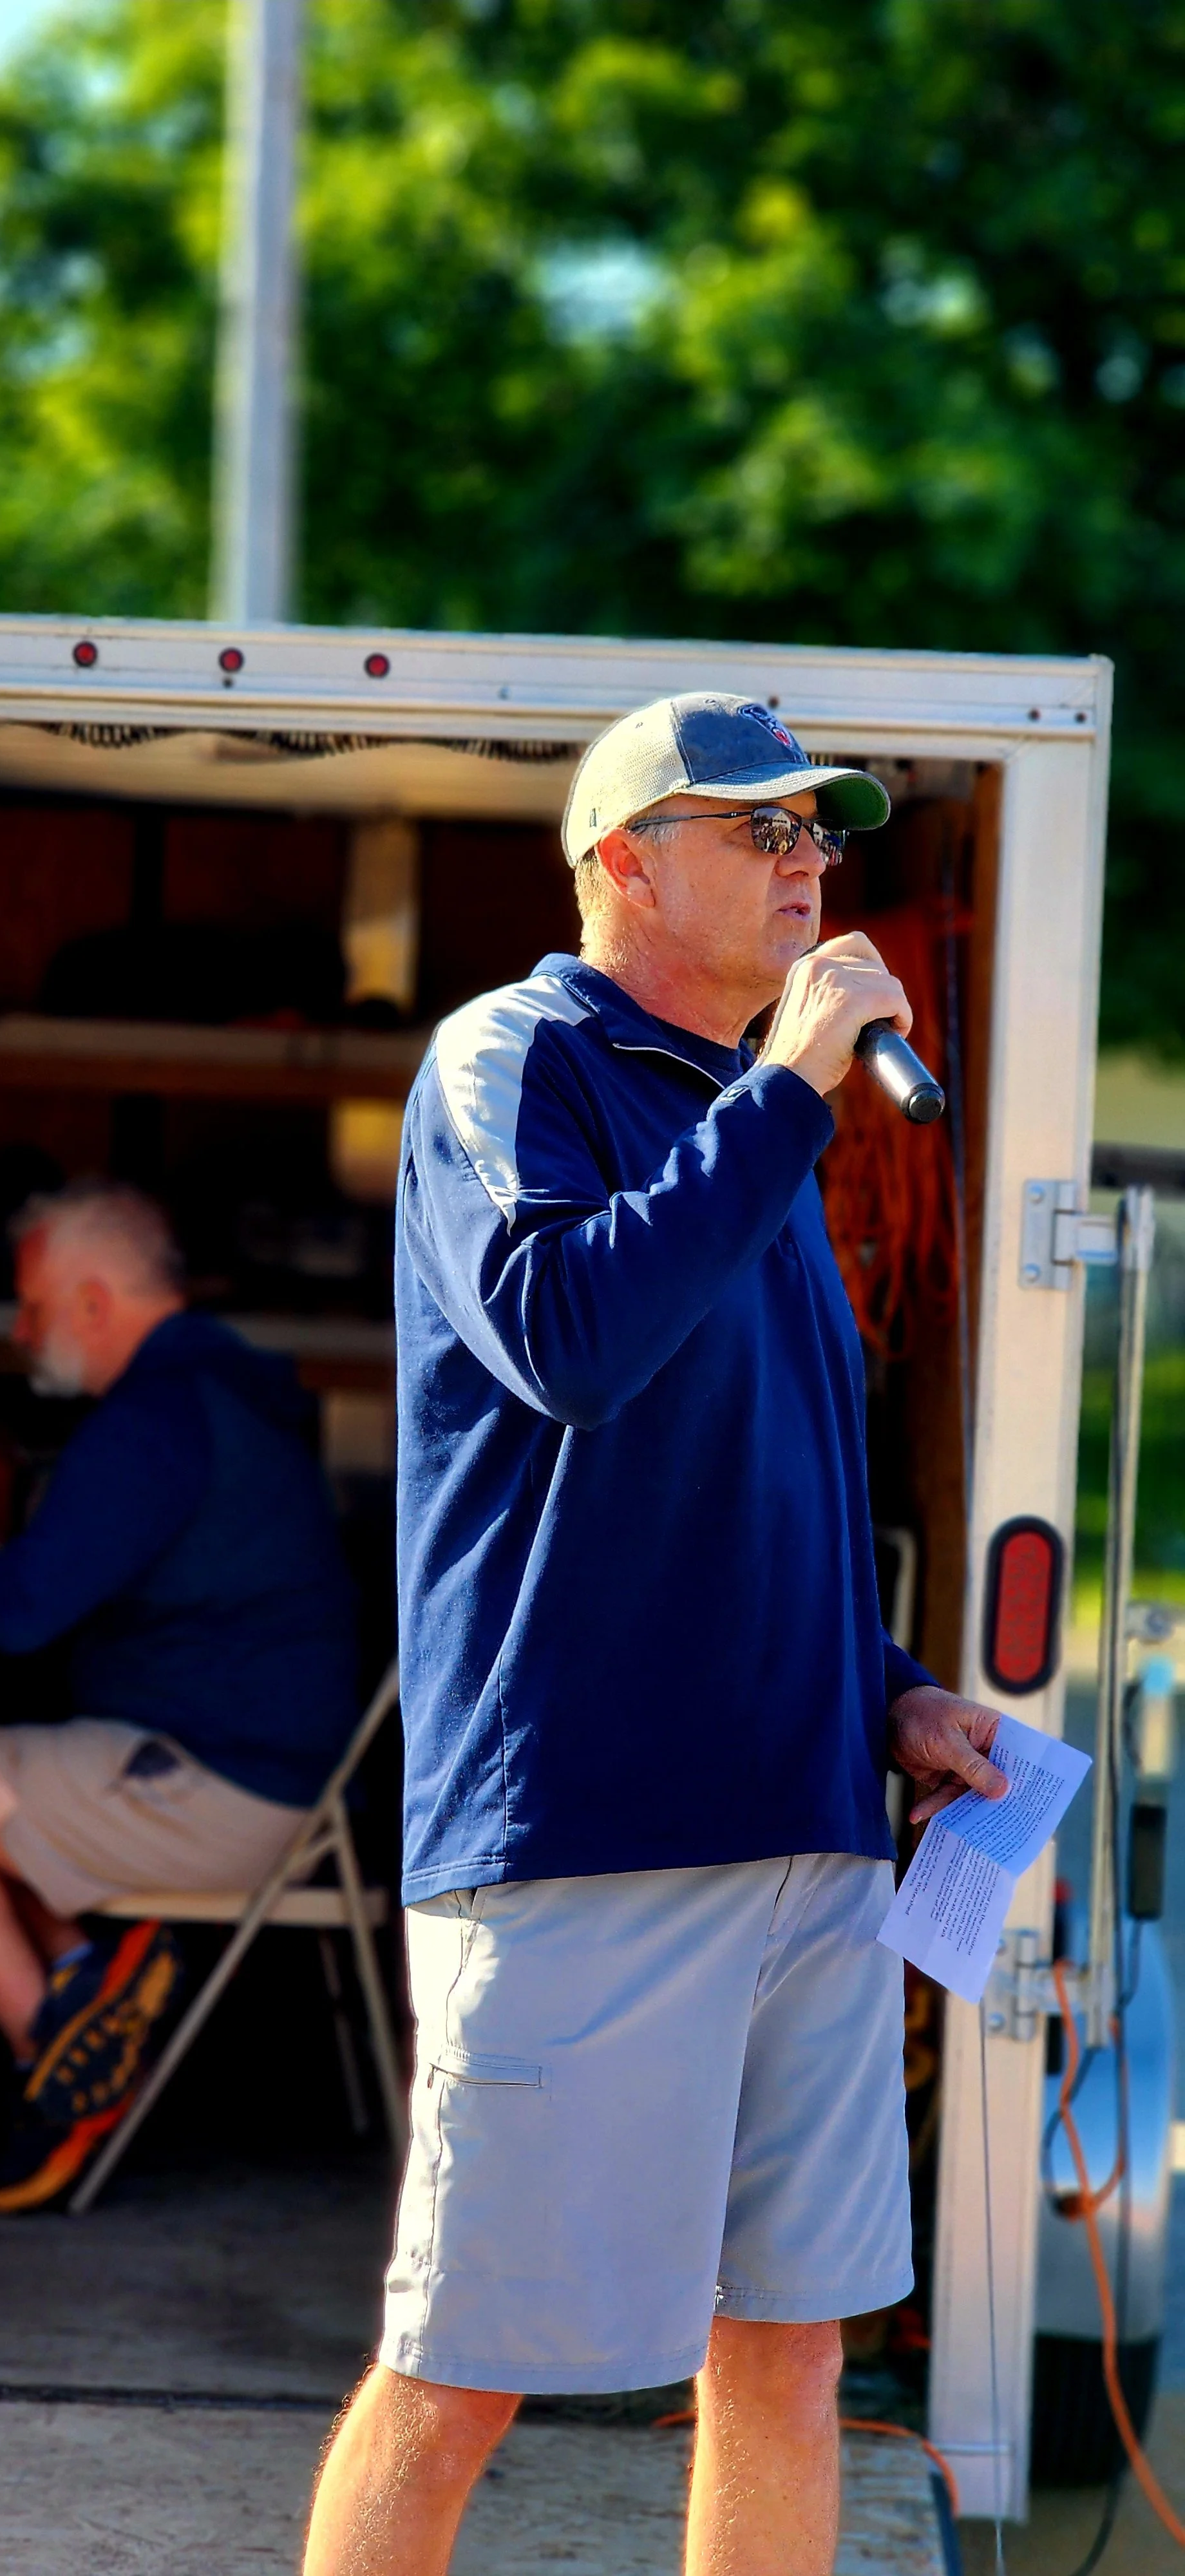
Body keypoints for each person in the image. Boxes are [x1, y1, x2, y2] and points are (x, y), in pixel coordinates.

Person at [303, 694, 1009, 2576]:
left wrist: (895, 1694)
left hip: (809, 1837)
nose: (809, 864)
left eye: (820, 834)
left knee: (788, 2358)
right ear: (620, 860)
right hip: (586, 1836)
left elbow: (755, 1490)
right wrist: (787, 1088)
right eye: (757, 829)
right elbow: (571, 1344)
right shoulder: (514, 1057)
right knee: (461, 2369)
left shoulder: (758, 1124)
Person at [0, 1180, 359, 2210]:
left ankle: (62, 2054)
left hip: (216, 1789)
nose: (23, 1334)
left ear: (95, 1302)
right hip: (274, 1785)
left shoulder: (156, 1421)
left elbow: (18, 1617)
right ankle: (82, 1990)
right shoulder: (220, 1393)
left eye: (36, 1306)